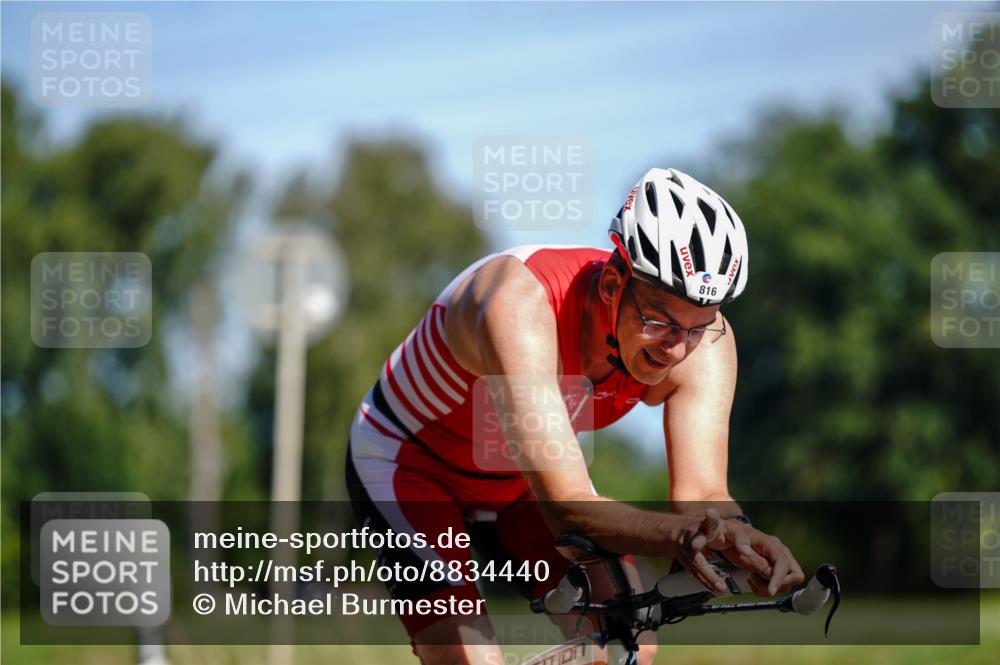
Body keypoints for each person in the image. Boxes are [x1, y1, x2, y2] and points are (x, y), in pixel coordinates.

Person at [345, 167, 804, 665]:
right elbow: (566, 505)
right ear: (612, 285)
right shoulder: (521, 305)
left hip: (517, 479)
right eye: (659, 321)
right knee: (471, 658)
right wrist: (679, 536)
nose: (677, 349)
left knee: (631, 639)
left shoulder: (705, 345)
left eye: (697, 327)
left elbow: (702, 497)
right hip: (411, 465)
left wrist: (742, 537)